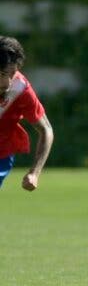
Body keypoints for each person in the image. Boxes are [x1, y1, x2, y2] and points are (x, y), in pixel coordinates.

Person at [0, 36, 54, 191]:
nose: (8, 83)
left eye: (13, 74)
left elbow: (46, 130)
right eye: (3, 74)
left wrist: (34, 173)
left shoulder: (21, 89)